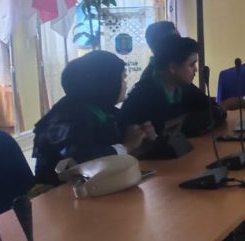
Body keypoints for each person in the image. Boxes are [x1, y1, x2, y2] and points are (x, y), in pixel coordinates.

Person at [32, 51, 157, 185]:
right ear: (106, 82)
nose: (125, 84)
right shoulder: (69, 116)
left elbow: (124, 145)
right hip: (57, 191)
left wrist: (143, 138)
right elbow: (85, 161)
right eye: (122, 79)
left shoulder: (106, 109)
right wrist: (127, 146)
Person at [121, 36, 227, 137]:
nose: (196, 70)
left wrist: (186, 121)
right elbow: (164, 131)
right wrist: (188, 122)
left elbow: (216, 110)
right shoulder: (143, 96)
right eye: (191, 64)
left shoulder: (184, 87)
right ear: (172, 68)